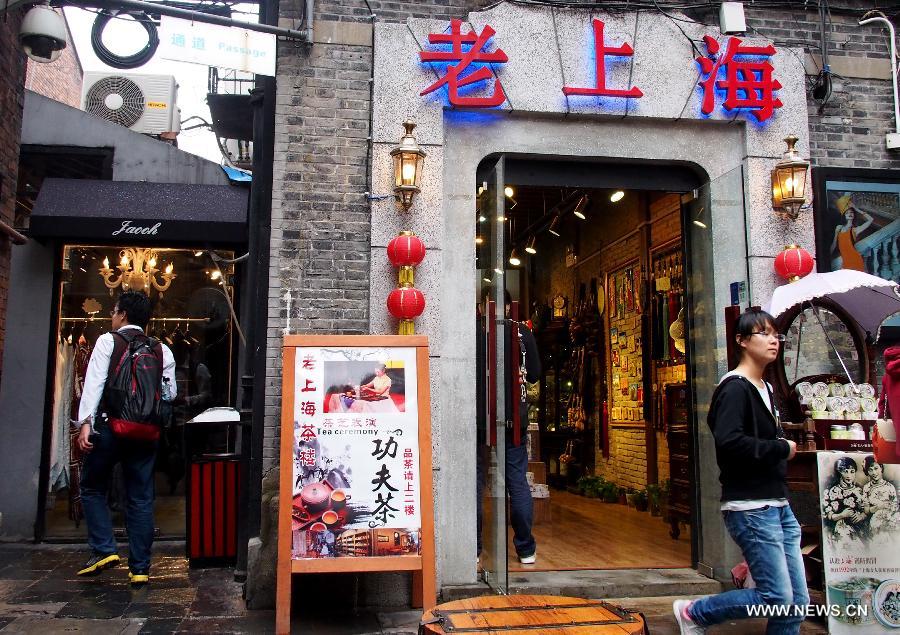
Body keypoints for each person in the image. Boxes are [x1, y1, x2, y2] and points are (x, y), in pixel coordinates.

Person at [673, 308, 807, 635]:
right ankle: (695, 612)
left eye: (776, 334)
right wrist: (780, 448)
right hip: (751, 506)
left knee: (797, 601)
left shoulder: (766, 388)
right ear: (742, 340)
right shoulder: (735, 387)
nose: (773, 340)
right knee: (776, 597)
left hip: (778, 503)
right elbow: (729, 441)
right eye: (763, 333)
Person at [74, 291, 176, 586]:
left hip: (110, 427)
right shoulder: (161, 350)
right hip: (145, 432)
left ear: (123, 315)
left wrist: (85, 423)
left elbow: (94, 384)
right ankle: (140, 569)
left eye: (114, 311)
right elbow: (170, 394)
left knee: (92, 487)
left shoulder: (108, 341)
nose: (112, 316)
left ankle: (104, 549)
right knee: (141, 497)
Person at [476, 291, 540, 566]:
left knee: (475, 482)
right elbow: (535, 373)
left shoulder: (474, 332)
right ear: (508, 306)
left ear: (483, 307)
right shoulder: (522, 332)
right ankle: (525, 549)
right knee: (517, 481)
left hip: (478, 418)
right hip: (514, 419)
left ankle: (474, 548)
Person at [822, 456, 867, 547]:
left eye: (852, 471)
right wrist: (842, 515)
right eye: (845, 471)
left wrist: (861, 516)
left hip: (859, 528)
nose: (849, 475)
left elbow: (867, 510)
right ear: (839, 472)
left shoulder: (860, 490)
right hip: (839, 528)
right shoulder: (831, 491)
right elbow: (828, 516)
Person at [862, 455, 900, 543]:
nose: (874, 472)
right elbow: (866, 511)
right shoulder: (866, 488)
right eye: (870, 470)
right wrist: (878, 507)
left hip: (890, 517)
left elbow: (895, 506)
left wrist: (890, 515)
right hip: (876, 520)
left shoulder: (889, 487)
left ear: (881, 468)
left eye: (876, 468)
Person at [830, 194, 874, 272]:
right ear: (844, 215)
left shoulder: (855, 230)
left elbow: (871, 219)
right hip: (846, 263)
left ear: (854, 215)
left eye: (851, 212)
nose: (850, 214)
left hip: (856, 260)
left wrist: (856, 209)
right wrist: (828, 257)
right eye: (847, 213)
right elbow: (834, 244)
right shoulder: (839, 228)